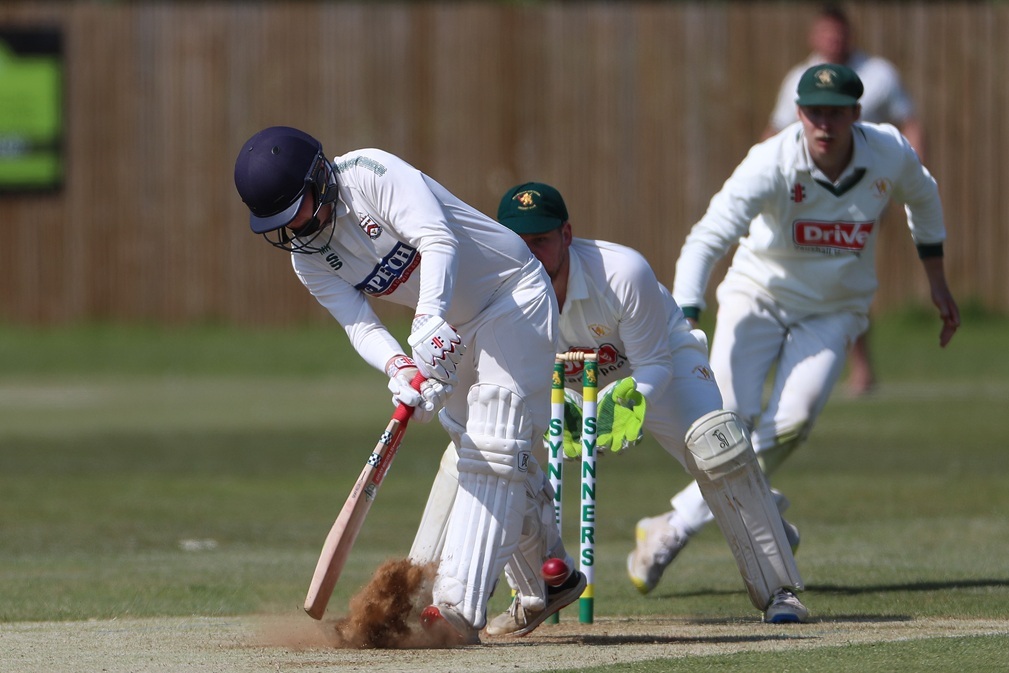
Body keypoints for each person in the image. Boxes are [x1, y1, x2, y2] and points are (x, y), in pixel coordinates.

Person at [416, 181, 809, 633]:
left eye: (541, 240)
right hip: (558, 385)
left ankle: (779, 589)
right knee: (478, 451)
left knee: (716, 443)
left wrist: (627, 402)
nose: (530, 254)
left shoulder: (622, 272)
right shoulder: (485, 289)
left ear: (566, 234)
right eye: (518, 242)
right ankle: (460, 594)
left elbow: (655, 363)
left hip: (651, 366)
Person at [233, 126, 569, 645]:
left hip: (512, 293)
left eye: (297, 209)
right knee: (484, 450)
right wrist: (401, 369)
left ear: (319, 177)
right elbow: (359, 325)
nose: (296, 228)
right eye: (282, 223)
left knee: (495, 437)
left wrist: (427, 320)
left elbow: (437, 238)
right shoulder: (308, 259)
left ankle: (457, 608)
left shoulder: (372, 173)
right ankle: (552, 577)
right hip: (452, 328)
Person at [634, 64, 959, 594]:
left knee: (793, 421)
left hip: (835, 309)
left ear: (856, 114)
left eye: (836, 113)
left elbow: (924, 199)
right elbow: (706, 238)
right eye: (814, 113)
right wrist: (686, 320)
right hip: (757, 296)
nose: (824, 124)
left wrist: (938, 283)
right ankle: (757, 512)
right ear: (799, 114)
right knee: (723, 425)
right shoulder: (771, 161)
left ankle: (674, 524)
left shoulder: (889, 152)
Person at [763, 3, 926, 396]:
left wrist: (910, 177)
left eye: (839, 32)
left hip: (864, 193)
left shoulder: (878, 74)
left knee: (847, 272)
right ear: (814, 36)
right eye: (826, 32)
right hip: (809, 194)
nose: (833, 40)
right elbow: (774, 132)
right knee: (813, 274)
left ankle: (855, 364)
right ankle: (810, 359)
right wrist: (762, 180)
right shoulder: (799, 79)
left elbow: (910, 124)